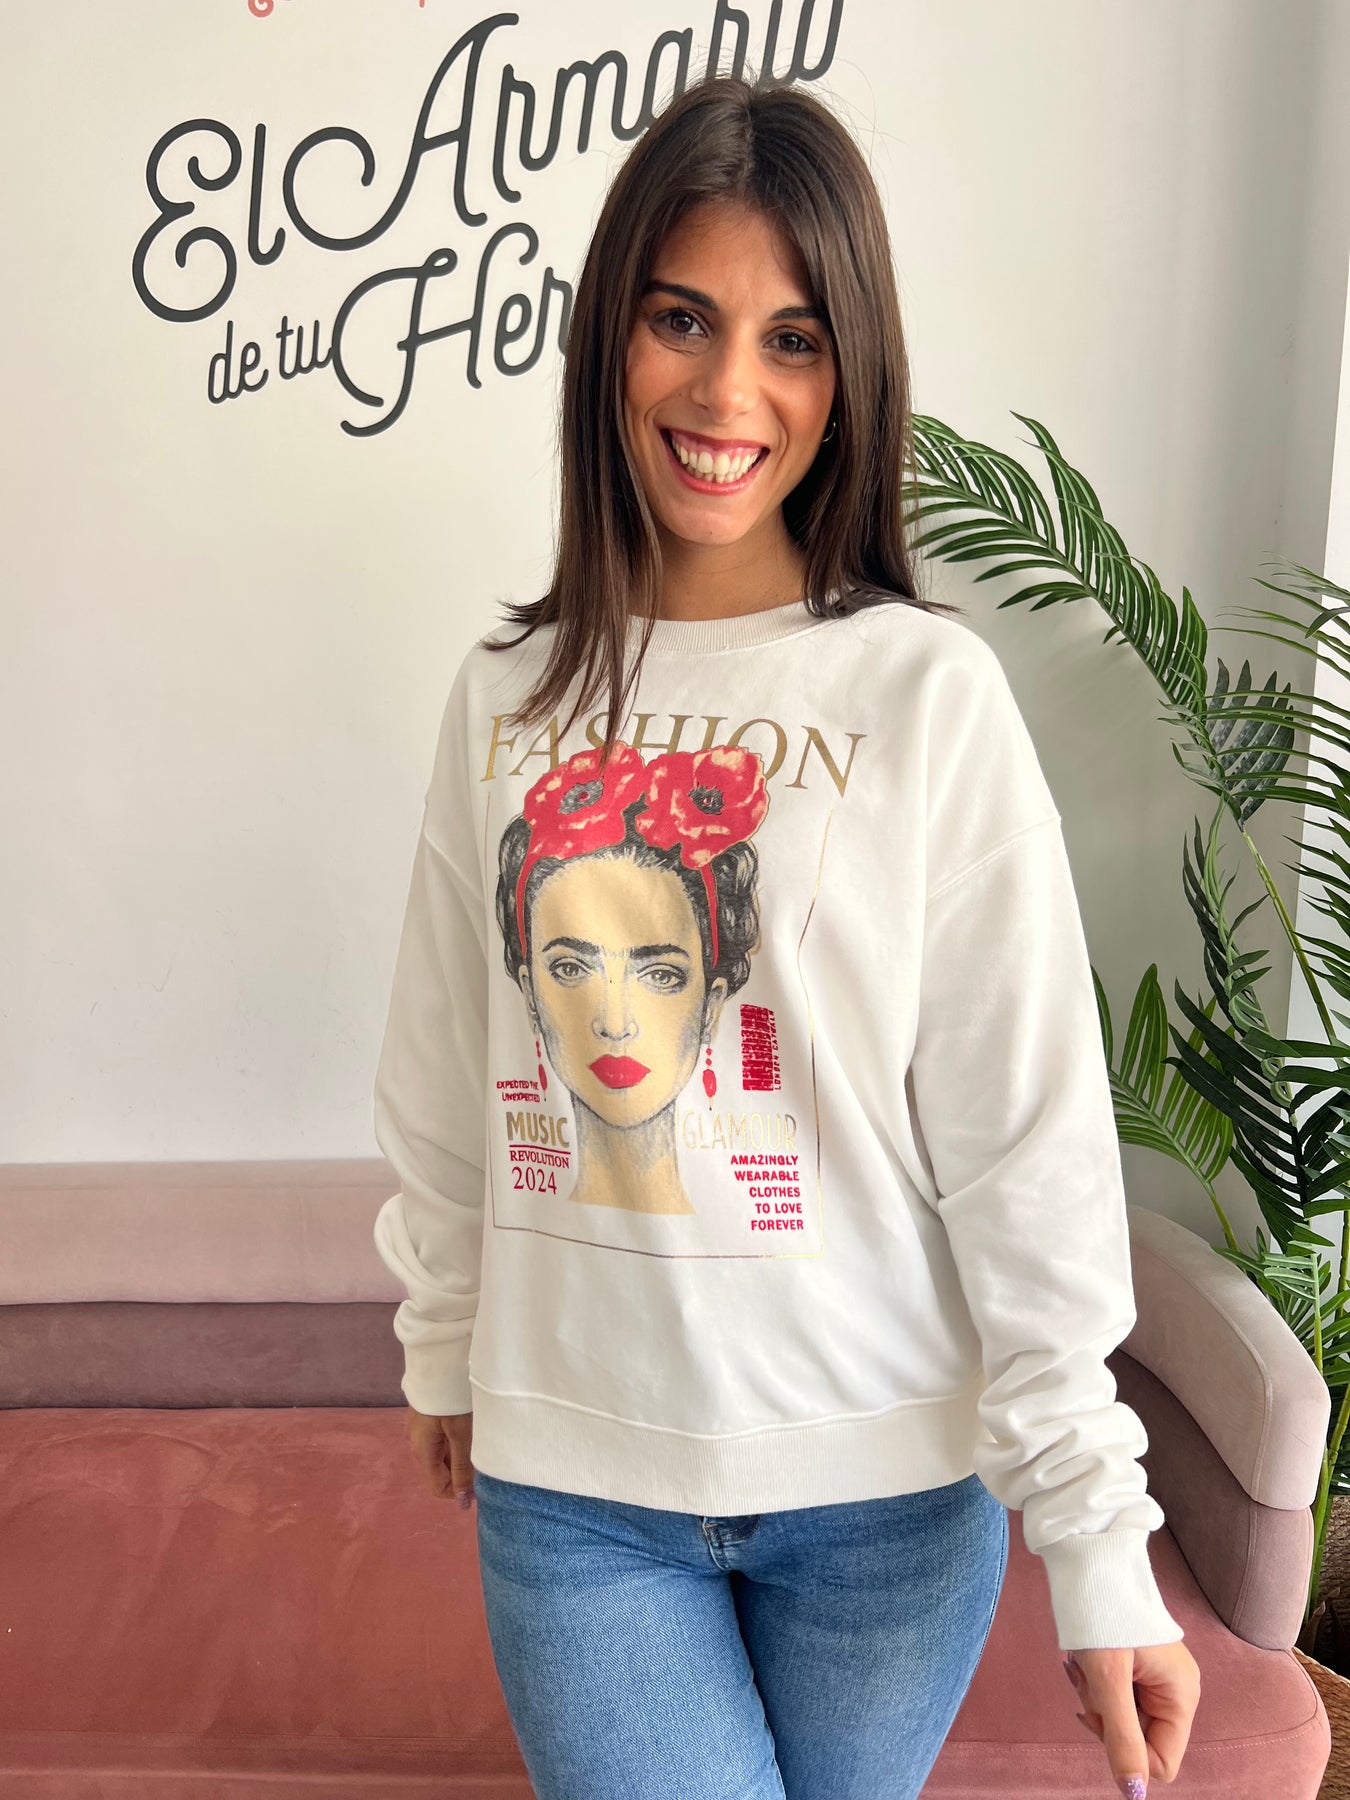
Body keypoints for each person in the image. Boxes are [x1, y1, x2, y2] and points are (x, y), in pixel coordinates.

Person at [371, 69, 1201, 1800]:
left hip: (886, 1500)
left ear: (851, 374)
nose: (726, 391)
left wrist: (1097, 1537)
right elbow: (445, 1057)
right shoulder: (503, 695)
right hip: (576, 1492)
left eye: (793, 339)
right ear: (611, 335)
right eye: (681, 319)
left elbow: (1023, 1131)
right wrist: (443, 1337)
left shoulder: (924, 692)